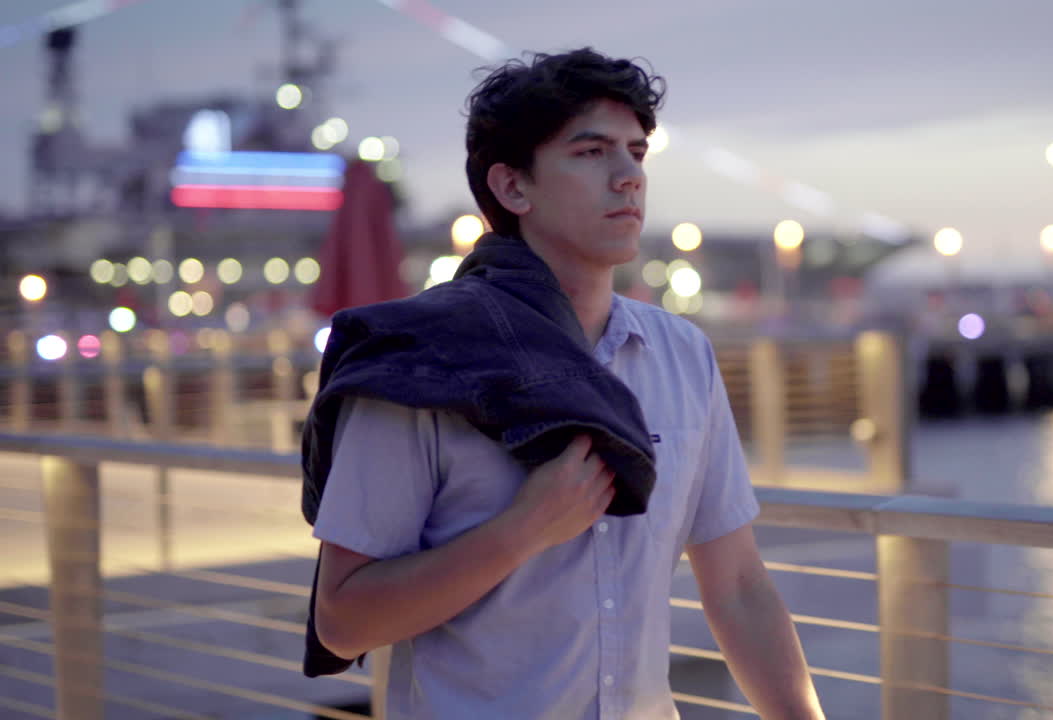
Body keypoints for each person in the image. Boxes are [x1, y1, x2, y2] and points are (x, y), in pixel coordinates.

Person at [307, 47, 825, 719]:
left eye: (637, 153)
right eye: (591, 153)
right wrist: (522, 530)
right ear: (513, 187)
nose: (628, 177)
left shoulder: (680, 354)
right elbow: (343, 620)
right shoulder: (422, 363)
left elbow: (738, 586)